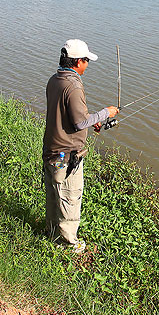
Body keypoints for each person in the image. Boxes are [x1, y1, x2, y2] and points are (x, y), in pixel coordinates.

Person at [42, 39, 118, 253]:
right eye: (86, 60)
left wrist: (91, 119)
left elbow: (70, 115)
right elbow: (78, 122)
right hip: (66, 157)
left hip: (51, 151)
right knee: (69, 198)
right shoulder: (74, 85)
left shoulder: (54, 80)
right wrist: (105, 113)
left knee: (53, 195)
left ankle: (50, 231)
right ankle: (68, 245)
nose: (87, 64)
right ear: (77, 62)